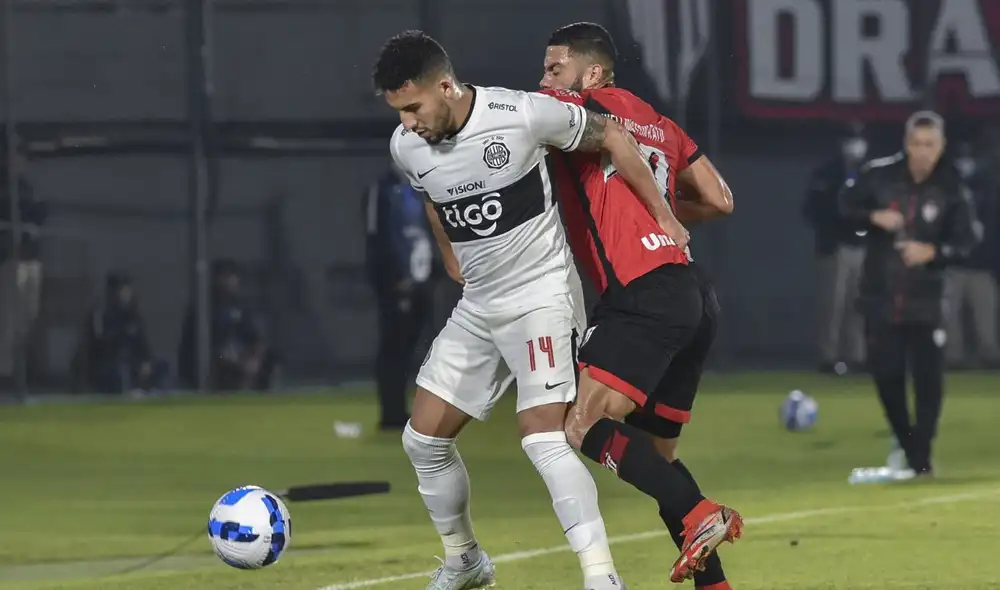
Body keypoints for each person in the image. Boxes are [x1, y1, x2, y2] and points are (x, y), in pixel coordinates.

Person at [373, 30, 687, 590]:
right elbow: (430, 195)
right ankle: (466, 561)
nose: (408, 123)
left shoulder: (519, 114)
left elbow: (611, 135)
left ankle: (602, 578)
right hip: (480, 305)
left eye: (414, 107)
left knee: (543, 437)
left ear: (446, 86)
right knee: (422, 438)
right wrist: (451, 256)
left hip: (541, 297)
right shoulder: (407, 147)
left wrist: (661, 216)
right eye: (399, 112)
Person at [539, 22, 740, 586]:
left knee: (582, 425)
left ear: (593, 73)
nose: (545, 80)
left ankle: (703, 513)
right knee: (657, 456)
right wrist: (665, 216)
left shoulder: (573, 108)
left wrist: (656, 219)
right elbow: (721, 201)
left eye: (555, 68)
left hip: (642, 289)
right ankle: (715, 583)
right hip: (692, 290)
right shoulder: (661, 123)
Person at [840, 111, 979, 478]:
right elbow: (841, 210)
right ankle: (910, 446)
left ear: (941, 146)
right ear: (906, 143)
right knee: (887, 377)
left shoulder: (951, 187)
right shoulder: (878, 175)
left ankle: (921, 457)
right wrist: (873, 217)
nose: (922, 152)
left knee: (929, 381)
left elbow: (968, 241)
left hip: (927, 301)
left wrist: (934, 252)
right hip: (880, 297)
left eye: (930, 144)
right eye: (916, 143)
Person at [364, 162, 437, 430]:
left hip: (420, 283)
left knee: (413, 348)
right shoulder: (381, 190)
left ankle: (409, 410)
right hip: (395, 286)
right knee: (393, 347)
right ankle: (391, 412)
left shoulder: (418, 189)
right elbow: (375, 236)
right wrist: (392, 278)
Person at [803, 124, 869, 373]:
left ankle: (858, 356)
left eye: (859, 139)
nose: (855, 145)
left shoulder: (869, 173)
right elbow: (810, 210)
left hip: (862, 248)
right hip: (836, 248)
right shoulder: (828, 173)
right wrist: (834, 223)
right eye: (851, 139)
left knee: (859, 305)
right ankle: (828, 357)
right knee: (832, 305)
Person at [944, 141, 999, 369]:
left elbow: (994, 229)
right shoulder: (947, 187)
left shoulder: (989, 186)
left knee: (986, 318)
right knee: (950, 320)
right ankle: (953, 359)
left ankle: (990, 357)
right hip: (953, 265)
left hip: (981, 265)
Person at [71, 271, 168, 395]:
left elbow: (143, 343)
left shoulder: (133, 315)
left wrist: (146, 361)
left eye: (127, 290)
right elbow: (101, 346)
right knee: (120, 370)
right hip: (107, 365)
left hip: (132, 363)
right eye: (121, 290)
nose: (125, 294)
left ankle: (157, 394)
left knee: (163, 366)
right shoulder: (100, 315)